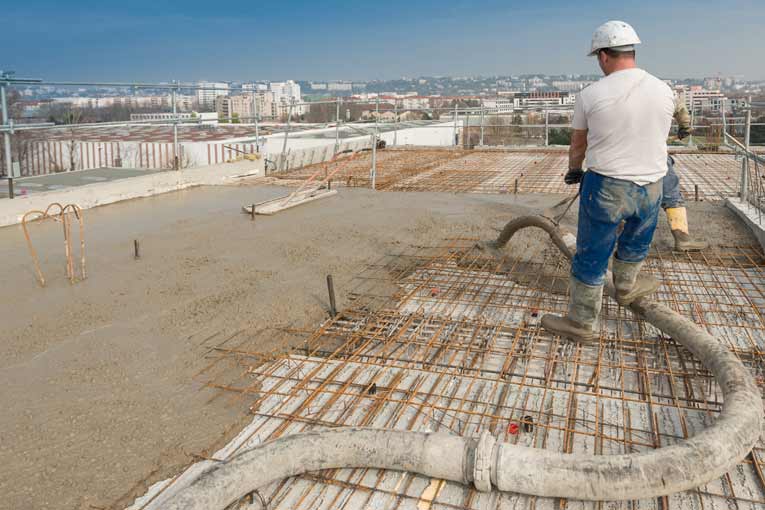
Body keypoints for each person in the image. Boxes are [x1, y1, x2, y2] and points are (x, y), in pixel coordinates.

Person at [541, 20, 675, 342]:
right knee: (637, 238)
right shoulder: (665, 89)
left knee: (592, 253)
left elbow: (578, 144)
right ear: (632, 51)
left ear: (603, 56)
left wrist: (575, 170)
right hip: (653, 184)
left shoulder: (591, 94)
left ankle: (581, 322)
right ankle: (627, 285)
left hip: (607, 186)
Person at [663, 102, 708, 251]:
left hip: (615, 157)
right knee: (671, 194)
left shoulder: (602, 91)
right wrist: (685, 128)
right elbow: (680, 108)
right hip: (653, 155)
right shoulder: (658, 90)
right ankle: (682, 239)